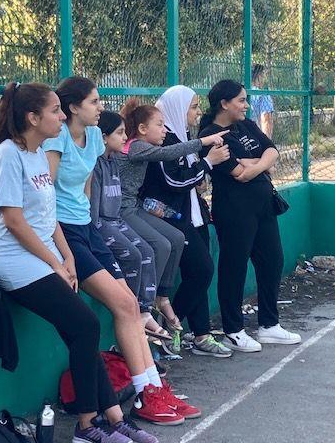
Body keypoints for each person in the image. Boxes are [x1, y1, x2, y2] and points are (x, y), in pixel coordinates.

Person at [0, 82, 157, 443]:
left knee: (81, 330)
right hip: (13, 261)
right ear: (33, 117)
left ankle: (112, 416)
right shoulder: (7, 156)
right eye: (55, 110)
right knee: (86, 325)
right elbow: (14, 222)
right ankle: (86, 426)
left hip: (43, 256)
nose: (62, 116)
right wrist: (56, 263)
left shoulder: (35, 153)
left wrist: (69, 257)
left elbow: (49, 216)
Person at [43, 76, 200, 426]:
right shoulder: (57, 139)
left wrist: (88, 223)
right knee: (121, 304)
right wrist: (60, 251)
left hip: (86, 228)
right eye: (94, 102)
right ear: (73, 108)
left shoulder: (96, 138)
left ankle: (153, 389)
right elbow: (46, 195)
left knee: (130, 304)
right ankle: (147, 394)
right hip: (64, 233)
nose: (101, 107)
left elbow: (85, 187)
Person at [198, 79, 301, 353]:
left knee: (272, 260)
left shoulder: (247, 125)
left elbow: (272, 151)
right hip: (234, 211)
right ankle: (233, 330)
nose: (246, 105)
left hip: (263, 205)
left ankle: (269, 325)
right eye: (241, 100)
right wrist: (259, 166)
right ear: (224, 103)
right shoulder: (210, 135)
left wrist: (252, 166)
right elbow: (235, 173)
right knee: (235, 267)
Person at [116, 98, 228, 336]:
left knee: (175, 240)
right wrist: (204, 144)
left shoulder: (144, 146)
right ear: (143, 129)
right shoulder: (137, 146)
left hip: (136, 206)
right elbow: (170, 154)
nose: (165, 130)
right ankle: (144, 304)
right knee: (157, 246)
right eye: (159, 125)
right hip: (123, 210)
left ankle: (162, 296)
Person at [141, 85, 233, 358]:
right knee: (202, 270)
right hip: (173, 218)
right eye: (193, 106)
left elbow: (190, 178)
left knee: (200, 273)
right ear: (178, 109)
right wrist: (207, 163)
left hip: (194, 214)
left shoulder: (183, 136)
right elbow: (174, 180)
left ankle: (201, 334)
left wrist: (201, 170)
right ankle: (169, 326)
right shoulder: (163, 139)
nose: (198, 112)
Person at [90, 111, 169, 341]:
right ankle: (131, 312)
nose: (125, 137)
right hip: (102, 223)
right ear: (103, 137)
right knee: (133, 255)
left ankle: (144, 310)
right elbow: (95, 209)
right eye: (120, 132)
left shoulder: (114, 161)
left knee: (146, 251)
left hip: (116, 221)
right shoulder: (95, 165)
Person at [250, 64, 275, 138]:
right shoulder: (263, 95)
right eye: (263, 76)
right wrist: (267, 143)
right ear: (259, 76)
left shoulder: (240, 93)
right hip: (258, 138)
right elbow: (266, 120)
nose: (263, 79)